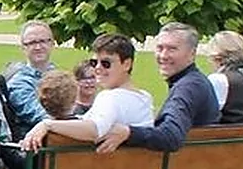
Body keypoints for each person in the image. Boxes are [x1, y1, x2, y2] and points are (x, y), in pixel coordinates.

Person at [98, 23, 220, 153]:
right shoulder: (193, 81)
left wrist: (128, 133)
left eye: (172, 49)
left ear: (192, 54)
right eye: (160, 48)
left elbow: (171, 136)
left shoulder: (188, 87)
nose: (163, 55)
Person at [19, 34, 155, 150]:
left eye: (106, 63)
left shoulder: (110, 97)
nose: (98, 68)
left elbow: (95, 130)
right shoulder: (144, 98)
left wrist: (47, 124)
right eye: (94, 62)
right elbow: (88, 121)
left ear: (127, 64)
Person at [4, 20, 58, 140]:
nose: (38, 47)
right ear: (23, 47)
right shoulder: (18, 83)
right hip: (36, 148)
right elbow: (39, 115)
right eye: (32, 43)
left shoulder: (58, 75)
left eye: (43, 41)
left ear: (52, 43)